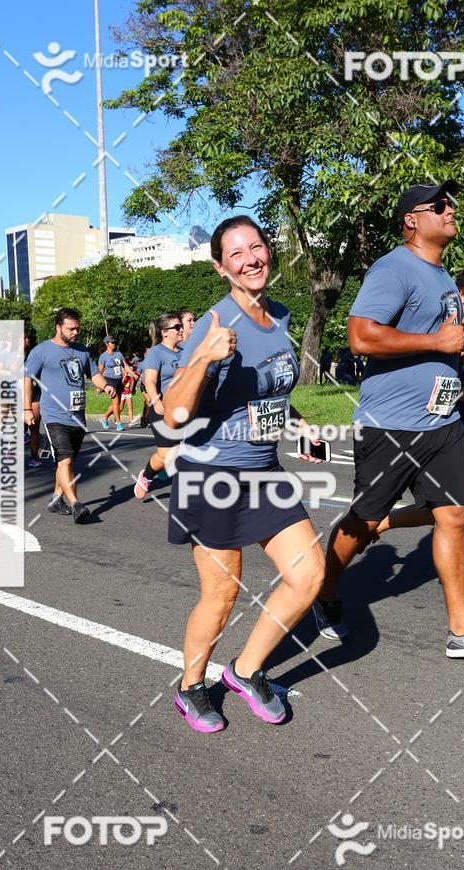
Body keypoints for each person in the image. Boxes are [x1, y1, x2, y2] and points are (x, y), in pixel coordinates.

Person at [314, 181, 464, 659]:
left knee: (454, 515)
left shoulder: (444, 278)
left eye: (450, 205)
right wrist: (437, 344)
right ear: (412, 220)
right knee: (364, 522)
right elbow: (361, 337)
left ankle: (462, 631)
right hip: (391, 424)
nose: (451, 211)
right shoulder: (393, 268)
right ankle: (322, 592)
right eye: (440, 206)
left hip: (441, 423)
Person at [164, 215, 325, 732]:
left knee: (308, 575)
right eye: (236, 253)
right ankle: (191, 689)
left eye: (256, 247)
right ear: (220, 267)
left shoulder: (278, 314)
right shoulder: (214, 325)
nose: (251, 258)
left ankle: (245, 670)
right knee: (222, 594)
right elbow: (173, 417)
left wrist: (299, 424)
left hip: (262, 471)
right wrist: (204, 360)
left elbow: (270, 391)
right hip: (210, 476)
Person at [373, 264, 464, 604]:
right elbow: (423, 381)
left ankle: (463, 579)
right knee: (445, 509)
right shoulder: (441, 328)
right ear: (463, 293)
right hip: (436, 425)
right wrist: (462, 392)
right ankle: (384, 520)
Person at [24, 308, 117, 524]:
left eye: (77, 328)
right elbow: (27, 379)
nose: (75, 332)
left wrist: (106, 386)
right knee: (65, 460)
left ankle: (56, 499)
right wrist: (27, 409)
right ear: (58, 327)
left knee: (66, 462)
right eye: (71, 328)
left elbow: (94, 374)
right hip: (54, 415)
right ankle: (76, 504)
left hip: (78, 417)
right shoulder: (42, 351)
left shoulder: (83, 351)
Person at [134, 314, 184, 500]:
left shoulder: (184, 350)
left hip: (185, 410)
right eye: (176, 327)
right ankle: (146, 476)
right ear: (164, 332)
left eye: (181, 325)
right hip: (163, 409)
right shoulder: (156, 352)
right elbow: (150, 380)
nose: (180, 330)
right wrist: (155, 400)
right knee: (165, 455)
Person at [98, 337, 134, 432]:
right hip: (109, 381)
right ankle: (119, 423)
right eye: (112, 342)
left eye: (115, 342)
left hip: (119, 381)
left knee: (117, 404)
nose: (114, 343)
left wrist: (133, 374)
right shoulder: (103, 356)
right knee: (116, 403)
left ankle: (104, 418)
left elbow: (125, 366)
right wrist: (99, 385)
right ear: (107, 344)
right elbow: (100, 371)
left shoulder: (119, 354)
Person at [24, 331, 43, 468]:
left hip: (35, 393)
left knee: (35, 427)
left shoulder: (34, 354)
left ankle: (34, 457)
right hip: (19, 395)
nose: (26, 340)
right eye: (23, 338)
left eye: (27, 338)